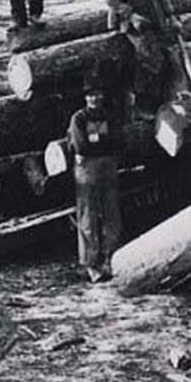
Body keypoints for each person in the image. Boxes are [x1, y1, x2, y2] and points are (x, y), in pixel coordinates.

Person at [68, 69, 124, 281]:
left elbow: (119, 141)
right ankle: (91, 264)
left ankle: (112, 257)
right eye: (90, 95)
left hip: (107, 167)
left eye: (98, 94)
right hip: (87, 171)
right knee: (87, 216)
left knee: (112, 212)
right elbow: (80, 146)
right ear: (85, 97)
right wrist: (102, 144)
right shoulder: (79, 118)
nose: (95, 98)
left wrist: (98, 144)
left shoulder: (109, 115)